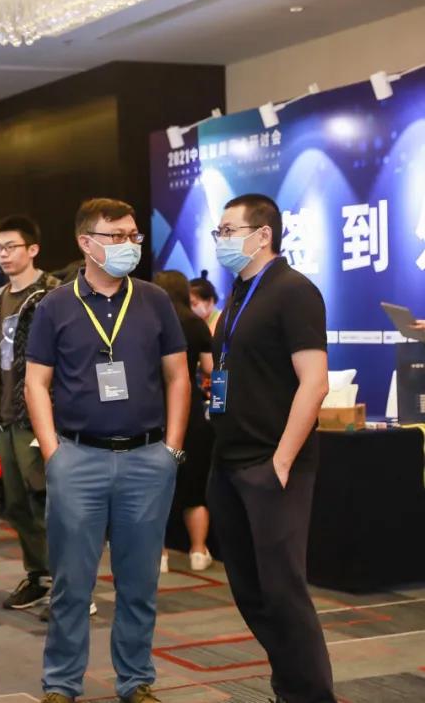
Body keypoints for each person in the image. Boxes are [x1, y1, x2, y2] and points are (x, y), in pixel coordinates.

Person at [25, 198, 190, 703]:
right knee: (72, 584)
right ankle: (61, 684)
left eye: (134, 235)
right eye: (116, 236)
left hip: (147, 458)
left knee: (139, 583)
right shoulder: (54, 306)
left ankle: (136, 680)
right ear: (86, 243)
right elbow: (36, 383)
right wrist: (53, 453)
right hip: (78, 458)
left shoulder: (154, 300)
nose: (129, 245)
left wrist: (172, 449)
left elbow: (178, 376)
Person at [206, 194, 334, 703]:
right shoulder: (237, 295)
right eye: (218, 231)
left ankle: (311, 695)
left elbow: (315, 382)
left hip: (272, 465)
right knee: (250, 591)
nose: (221, 240)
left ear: (263, 235)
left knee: (283, 593)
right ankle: (290, 687)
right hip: (228, 462)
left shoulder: (293, 291)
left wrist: (281, 460)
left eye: (229, 230)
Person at [0, 215, 60, 609]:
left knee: (45, 499)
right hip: (5, 415)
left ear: (33, 249)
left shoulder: (53, 294)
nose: (4, 255)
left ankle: (67, 582)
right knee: (15, 503)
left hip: (39, 414)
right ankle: (39, 575)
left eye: (11, 247)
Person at [153, 270, 214, 572]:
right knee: (194, 487)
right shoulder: (196, 324)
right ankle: (199, 551)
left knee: (155, 489)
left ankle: (160, 555)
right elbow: (211, 369)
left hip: (155, 414)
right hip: (191, 415)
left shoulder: (149, 322)